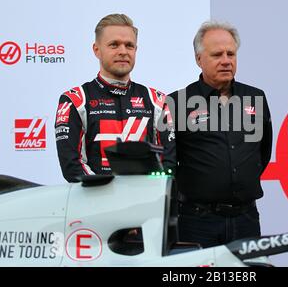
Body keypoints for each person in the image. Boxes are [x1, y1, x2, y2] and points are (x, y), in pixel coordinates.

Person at [163, 21, 273, 248]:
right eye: (217, 54)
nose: (226, 60)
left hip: (246, 219)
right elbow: (168, 163)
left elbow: (262, 153)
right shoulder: (177, 102)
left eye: (231, 53)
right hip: (196, 222)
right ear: (198, 59)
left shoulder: (256, 97)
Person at [55, 14, 168, 182]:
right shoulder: (74, 100)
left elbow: (168, 160)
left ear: (136, 50)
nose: (123, 51)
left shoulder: (157, 101)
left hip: (146, 203)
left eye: (129, 45)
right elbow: (72, 165)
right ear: (96, 50)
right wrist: (109, 196)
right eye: (114, 45)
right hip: (96, 203)